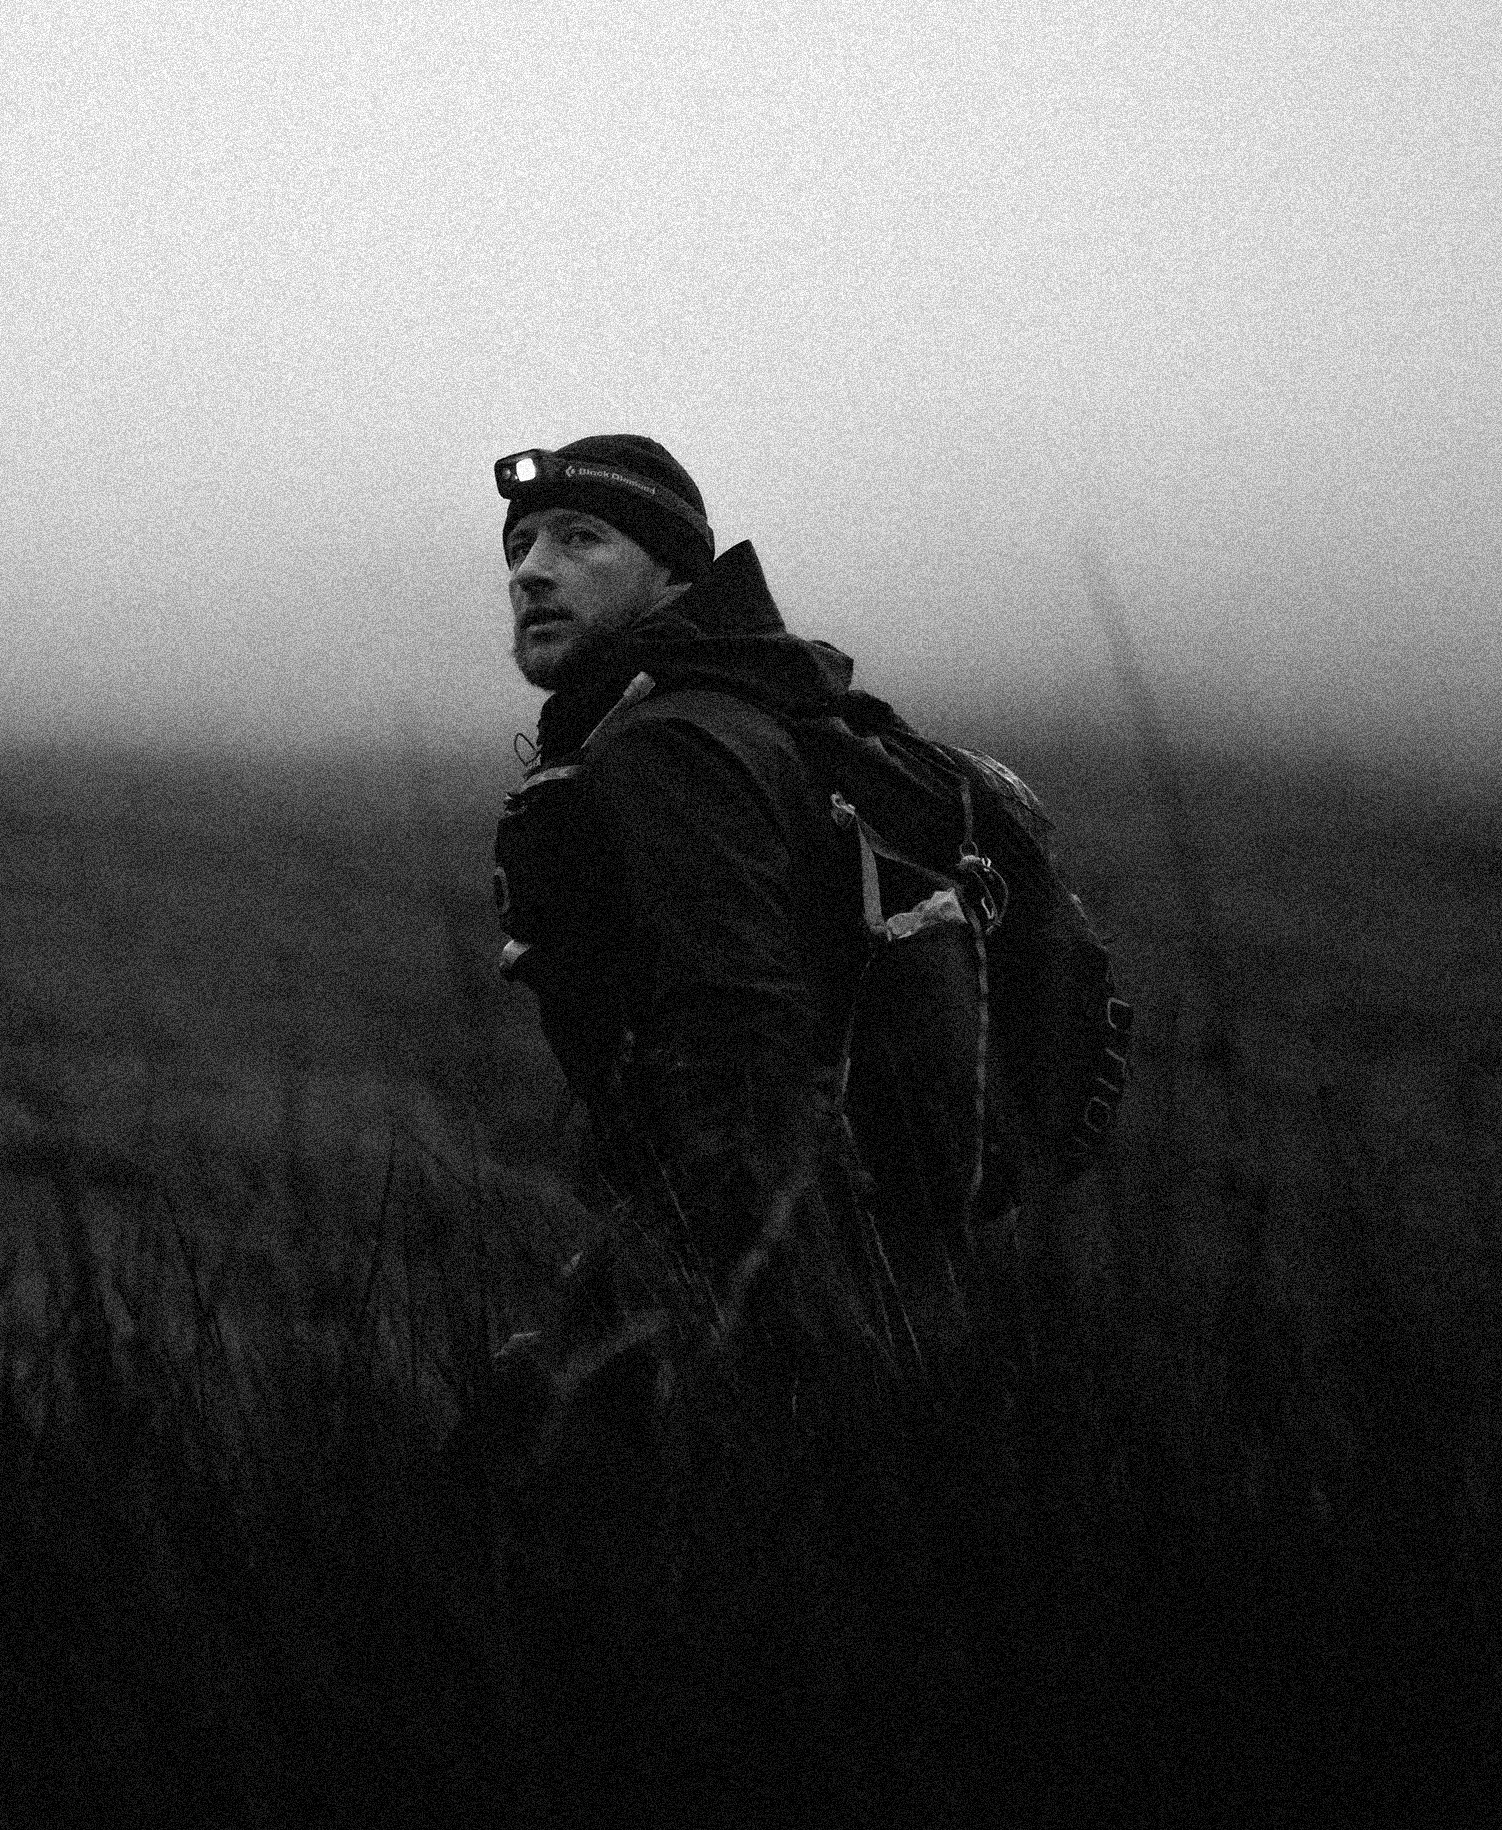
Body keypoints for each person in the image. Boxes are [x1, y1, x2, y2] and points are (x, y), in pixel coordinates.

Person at [492, 433, 871, 1329]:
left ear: (673, 572)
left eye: (580, 539)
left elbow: (742, 1067)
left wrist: (630, 1314)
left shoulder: (668, 745)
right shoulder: (744, 712)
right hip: (848, 1254)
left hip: (771, 1293)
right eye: (520, 547)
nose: (531, 575)